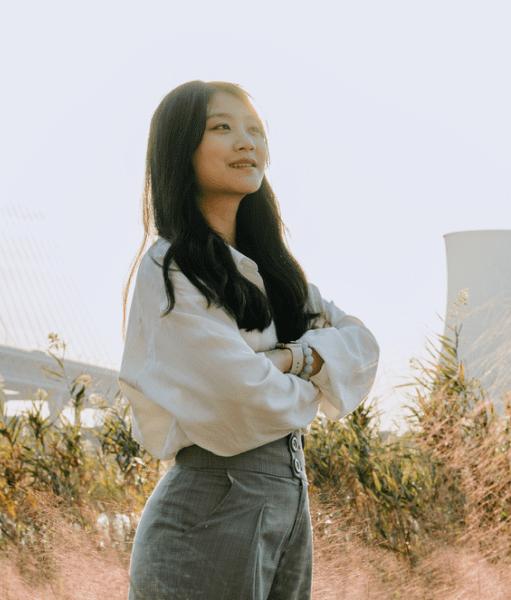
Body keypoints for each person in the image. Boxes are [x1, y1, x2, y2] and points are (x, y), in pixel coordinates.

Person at [119, 80, 380, 600]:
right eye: (222, 127)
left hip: (287, 506)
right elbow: (240, 395)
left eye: (255, 130)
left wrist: (282, 360)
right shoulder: (170, 269)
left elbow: (362, 350)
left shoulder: (276, 274)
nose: (247, 142)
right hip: (210, 509)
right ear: (181, 147)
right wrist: (312, 366)